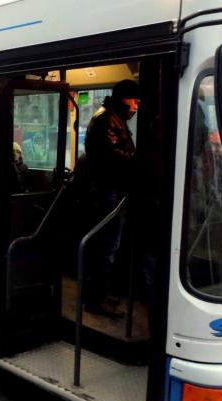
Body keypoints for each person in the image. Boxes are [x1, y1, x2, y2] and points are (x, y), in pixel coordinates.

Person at [82, 79, 140, 318]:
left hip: (111, 190)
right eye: (133, 100)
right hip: (108, 191)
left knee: (107, 245)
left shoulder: (112, 118)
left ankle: (99, 294)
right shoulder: (107, 120)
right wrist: (138, 160)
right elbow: (113, 157)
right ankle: (95, 299)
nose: (136, 106)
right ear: (121, 99)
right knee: (106, 245)